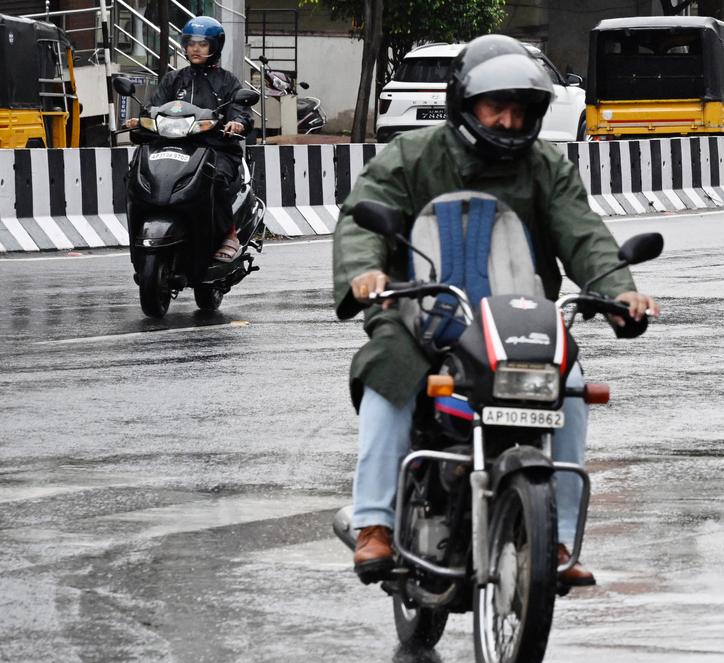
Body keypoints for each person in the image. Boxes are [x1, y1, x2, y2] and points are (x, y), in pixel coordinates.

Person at [332, 34, 658, 587]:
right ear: (465, 103)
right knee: (390, 374)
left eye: (521, 110)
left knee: (571, 386)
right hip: (418, 315)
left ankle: (558, 539)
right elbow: (364, 221)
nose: (509, 121)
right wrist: (368, 274)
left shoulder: (545, 166)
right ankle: (374, 524)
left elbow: (583, 235)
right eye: (495, 107)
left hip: (515, 320)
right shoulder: (411, 156)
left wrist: (619, 291)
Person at [126, 16, 252, 262]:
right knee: (136, 172)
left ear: (215, 47)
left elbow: (240, 110)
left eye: (203, 44)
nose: (195, 49)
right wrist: (140, 120)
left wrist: (237, 122)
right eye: (191, 43)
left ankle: (229, 234)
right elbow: (153, 107)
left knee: (216, 179)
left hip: (215, 148)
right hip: (173, 146)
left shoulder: (227, 81)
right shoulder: (174, 79)